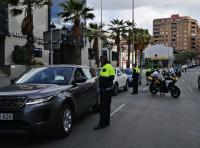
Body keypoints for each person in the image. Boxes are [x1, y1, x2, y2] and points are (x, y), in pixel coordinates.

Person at [94, 55, 115, 130]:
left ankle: (101, 124)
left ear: (105, 60)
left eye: (101, 60)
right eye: (100, 60)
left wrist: (102, 87)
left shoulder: (106, 67)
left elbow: (107, 78)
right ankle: (107, 122)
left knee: (102, 107)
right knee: (107, 107)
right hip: (107, 90)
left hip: (105, 91)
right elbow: (111, 77)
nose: (100, 61)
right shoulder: (108, 66)